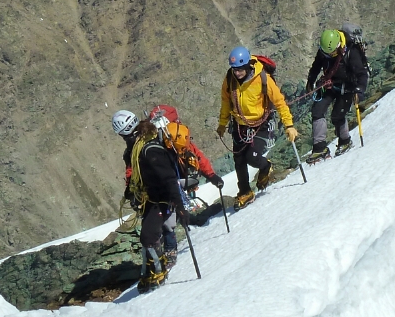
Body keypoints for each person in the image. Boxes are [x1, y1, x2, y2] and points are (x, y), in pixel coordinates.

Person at [216, 46, 296, 209]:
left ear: (247, 66)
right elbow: (226, 102)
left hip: (261, 124)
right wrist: (222, 124)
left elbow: (280, 102)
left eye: (239, 70)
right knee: (239, 160)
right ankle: (245, 192)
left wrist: (289, 125)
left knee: (252, 157)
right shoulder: (230, 78)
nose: (237, 73)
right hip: (239, 125)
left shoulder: (262, 78)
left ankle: (265, 166)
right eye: (234, 69)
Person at [126, 117, 188, 292]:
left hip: (163, 199)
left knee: (148, 236)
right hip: (154, 198)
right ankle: (149, 272)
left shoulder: (150, 151)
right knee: (147, 236)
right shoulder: (145, 147)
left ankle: (159, 271)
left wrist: (180, 206)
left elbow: (169, 179)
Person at [305, 28, 369, 162]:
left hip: (348, 87)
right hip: (330, 85)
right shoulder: (325, 50)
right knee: (317, 111)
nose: (328, 56)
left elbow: (362, 74)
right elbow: (316, 65)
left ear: (339, 46)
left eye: (332, 53)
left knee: (337, 115)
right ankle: (319, 147)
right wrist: (311, 80)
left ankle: (345, 141)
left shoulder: (352, 52)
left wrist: (359, 90)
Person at [147, 105, 224, 208]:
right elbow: (196, 155)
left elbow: (195, 154)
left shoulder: (150, 146)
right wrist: (211, 175)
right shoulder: (179, 140)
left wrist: (211, 175)